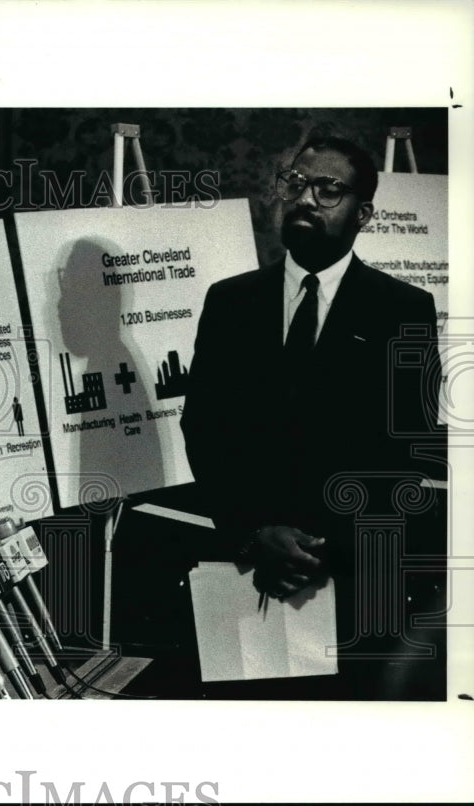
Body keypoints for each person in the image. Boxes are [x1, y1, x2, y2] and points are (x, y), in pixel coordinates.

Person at [180, 137, 444, 699]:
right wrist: (255, 537)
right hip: (244, 570)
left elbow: (408, 448)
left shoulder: (403, 310)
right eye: (294, 182)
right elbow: (203, 430)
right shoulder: (230, 302)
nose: (305, 199)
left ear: (363, 213)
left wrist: (313, 550)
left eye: (328, 189)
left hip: (350, 581)